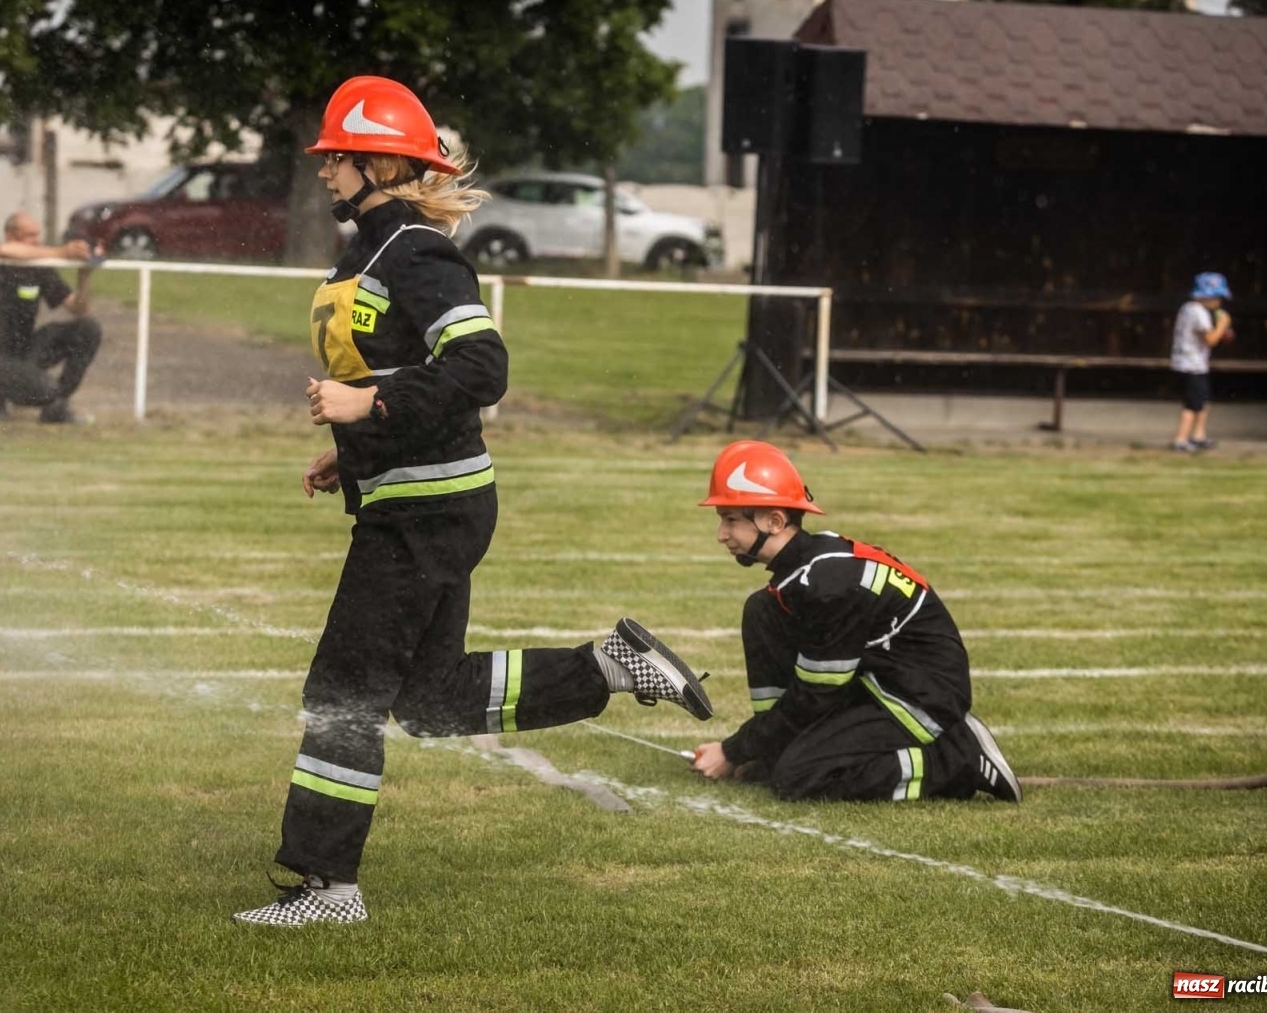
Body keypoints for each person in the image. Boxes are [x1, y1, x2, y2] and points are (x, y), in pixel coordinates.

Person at [233, 76, 714, 929]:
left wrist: (369, 408)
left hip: (428, 513)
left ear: (379, 164)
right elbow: (401, 373)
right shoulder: (372, 252)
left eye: (337, 156)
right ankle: (608, 666)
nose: (325, 170)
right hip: (420, 502)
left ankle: (326, 888)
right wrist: (357, 448)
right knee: (430, 701)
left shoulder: (415, 252)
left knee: (344, 692)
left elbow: (480, 369)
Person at [689, 440, 1021, 806]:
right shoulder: (805, 574)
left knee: (799, 777)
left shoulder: (828, 586)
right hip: (880, 679)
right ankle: (777, 752)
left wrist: (733, 750)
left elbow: (816, 697)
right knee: (761, 611)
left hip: (921, 693)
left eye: (731, 520)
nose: (721, 534)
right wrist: (763, 751)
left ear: (775, 521)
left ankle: (957, 758)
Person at [0, 212, 101, 423]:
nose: (37, 241)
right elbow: (5, 250)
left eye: (38, 235)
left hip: (23, 350)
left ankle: (56, 407)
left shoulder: (39, 266)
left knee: (88, 328)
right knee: (47, 390)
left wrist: (84, 275)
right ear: (10, 235)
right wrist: (63, 252)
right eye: (30, 236)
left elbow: (79, 308)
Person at [1168, 272, 1233, 453]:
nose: (1219, 302)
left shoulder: (1188, 308)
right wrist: (1222, 324)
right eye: (1218, 298)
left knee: (1202, 402)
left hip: (1192, 364)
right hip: (1192, 365)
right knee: (1192, 405)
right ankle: (1181, 439)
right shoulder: (1198, 312)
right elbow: (1210, 339)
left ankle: (1199, 436)